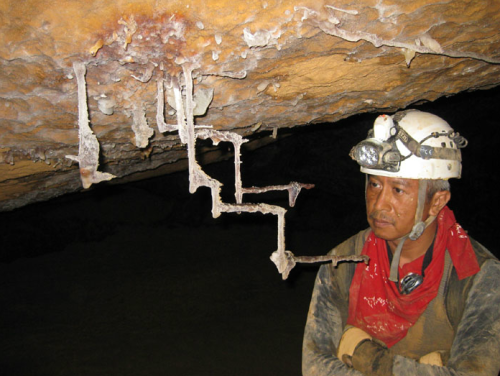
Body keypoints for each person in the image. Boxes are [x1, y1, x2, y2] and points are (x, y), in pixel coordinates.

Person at [302, 110, 500, 376]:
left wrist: (367, 357)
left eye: (398, 190)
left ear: (437, 201)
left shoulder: (476, 275)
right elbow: (315, 366)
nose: (379, 204)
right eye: (374, 185)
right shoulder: (343, 260)